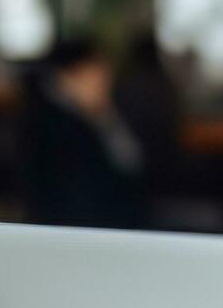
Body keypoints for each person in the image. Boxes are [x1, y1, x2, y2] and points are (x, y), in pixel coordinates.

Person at [21, 39, 146, 229]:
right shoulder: (53, 127)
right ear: (67, 77)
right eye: (94, 73)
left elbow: (135, 165)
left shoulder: (103, 115)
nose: (104, 81)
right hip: (84, 230)